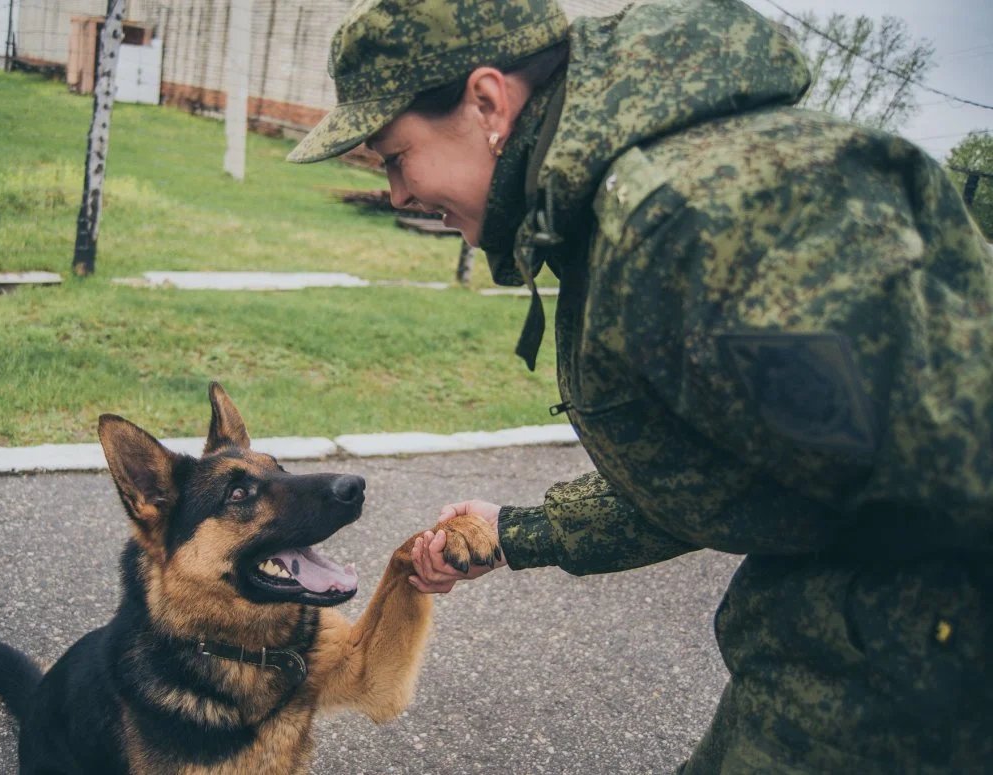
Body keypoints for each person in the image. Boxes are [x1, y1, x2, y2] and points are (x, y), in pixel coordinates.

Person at [287, 0, 993, 770]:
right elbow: (740, 467)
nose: (396, 192)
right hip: (835, 658)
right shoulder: (620, 208)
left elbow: (962, 462)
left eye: (396, 156)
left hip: (917, 691)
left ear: (488, 103)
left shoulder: (691, 223)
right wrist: (514, 532)